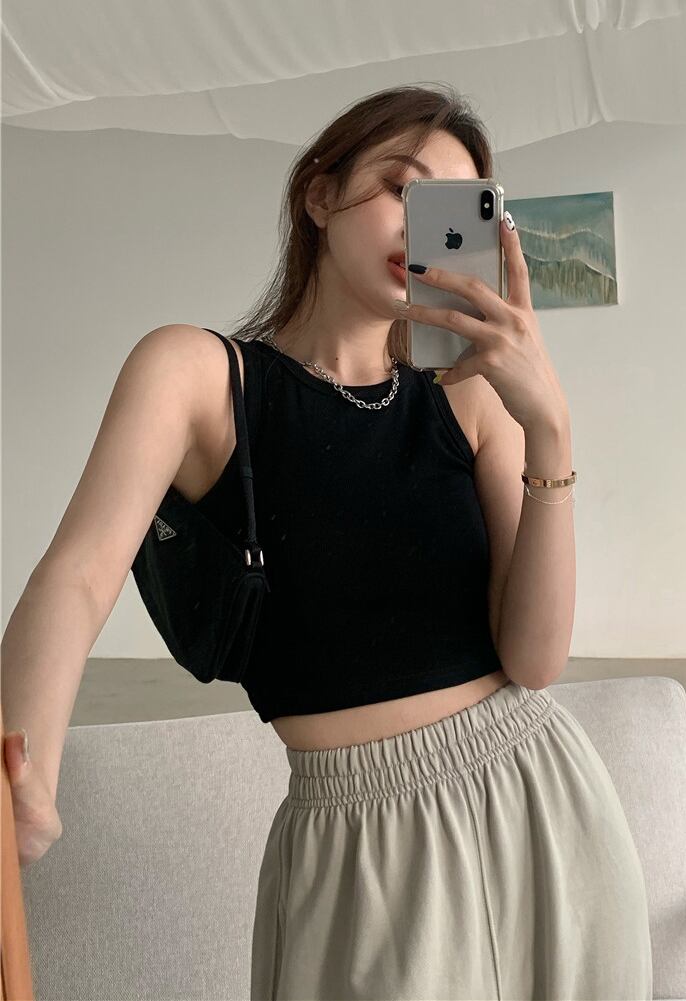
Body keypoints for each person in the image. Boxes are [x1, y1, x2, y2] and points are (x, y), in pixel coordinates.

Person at [1, 83, 652, 1000]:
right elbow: (76, 576)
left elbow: (534, 661)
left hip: (542, 810)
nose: (419, 225)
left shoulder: (468, 397)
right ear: (318, 193)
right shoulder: (196, 376)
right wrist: (22, 773)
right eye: (400, 187)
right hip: (354, 850)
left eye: (448, 207)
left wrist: (549, 428)